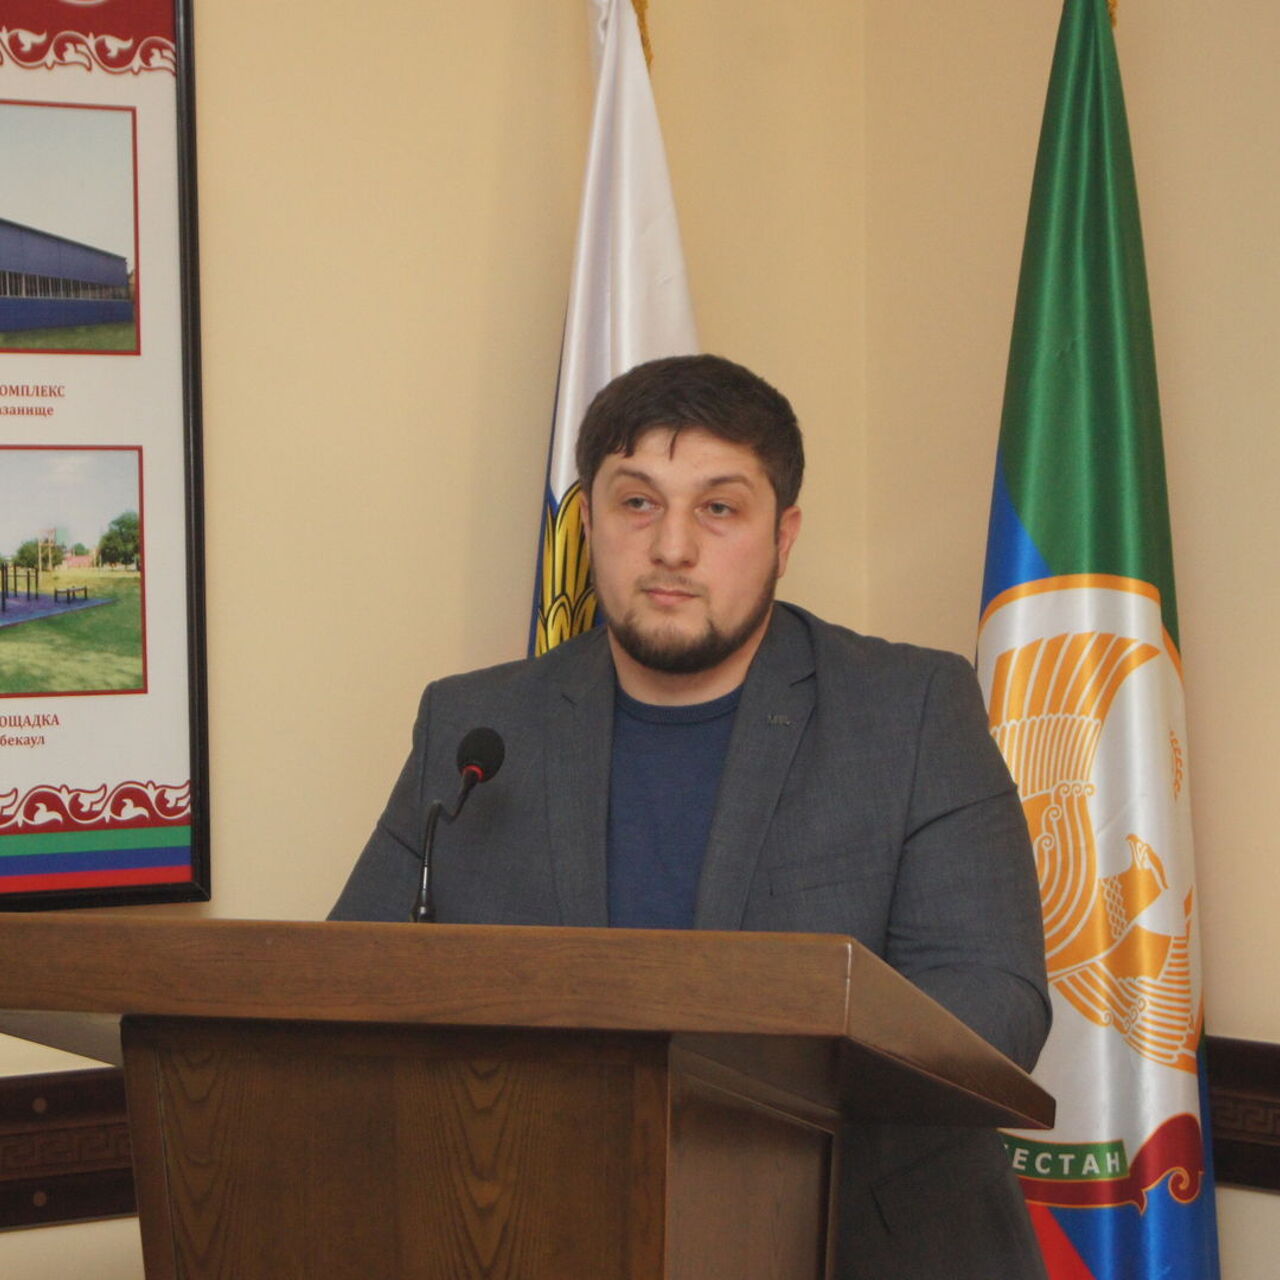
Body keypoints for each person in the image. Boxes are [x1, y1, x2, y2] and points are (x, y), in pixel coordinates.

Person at [331, 353, 1051, 1278]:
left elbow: (995, 1007)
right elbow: (344, 989)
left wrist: (729, 1068)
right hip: (549, 1233)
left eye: (718, 508)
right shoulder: (478, 726)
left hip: (861, 1242)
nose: (672, 547)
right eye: (637, 503)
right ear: (588, 524)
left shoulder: (909, 709)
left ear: (784, 536)